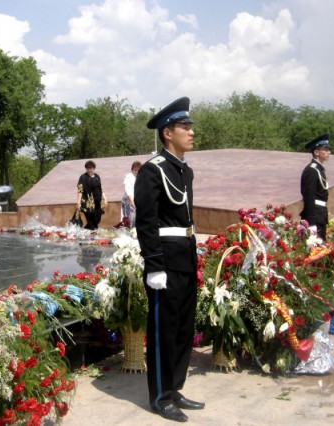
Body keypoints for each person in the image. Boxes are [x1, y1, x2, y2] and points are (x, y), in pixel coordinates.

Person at [134, 97, 204, 423]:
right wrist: (154, 265)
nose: (191, 131)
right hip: (165, 262)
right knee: (163, 331)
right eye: (184, 126)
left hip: (186, 258)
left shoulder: (184, 170)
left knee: (183, 330)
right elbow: (146, 222)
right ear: (167, 133)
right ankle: (160, 397)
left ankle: (175, 388)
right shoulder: (152, 170)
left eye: (190, 126)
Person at [300, 133, 331, 240]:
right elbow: (309, 198)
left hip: (320, 216)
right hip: (315, 218)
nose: (329, 152)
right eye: (325, 149)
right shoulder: (311, 170)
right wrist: (311, 223)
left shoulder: (318, 170)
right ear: (316, 152)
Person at [76, 160, 107, 230]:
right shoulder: (83, 177)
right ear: (86, 168)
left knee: (97, 220)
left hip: (98, 203)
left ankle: (84, 231)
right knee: (93, 223)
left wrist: (105, 198)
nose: (90, 170)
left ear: (94, 168)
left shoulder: (97, 176)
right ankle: (93, 237)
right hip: (88, 204)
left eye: (92, 168)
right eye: (88, 168)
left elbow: (101, 188)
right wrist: (78, 202)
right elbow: (80, 190)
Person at [121, 161, 142, 228]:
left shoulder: (142, 177)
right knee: (130, 218)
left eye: (138, 170)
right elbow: (128, 189)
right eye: (135, 170)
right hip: (128, 200)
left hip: (138, 200)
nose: (136, 172)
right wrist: (131, 201)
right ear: (132, 170)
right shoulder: (128, 177)